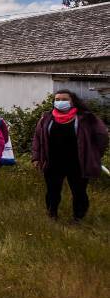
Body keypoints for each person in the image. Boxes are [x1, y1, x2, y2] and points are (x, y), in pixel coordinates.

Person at [31, 90, 109, 221]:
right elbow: (37, 139)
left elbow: (102, 136)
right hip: (53, 162)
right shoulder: (46, 118)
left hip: (78, 163)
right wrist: (36, 157)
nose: (60, 102)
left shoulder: (86, 118)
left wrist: (94, 155)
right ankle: (52, 214)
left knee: (79, 192)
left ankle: (78, 218)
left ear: (72, 101)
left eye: (64, 99)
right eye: (57, 99)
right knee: (52, 191)